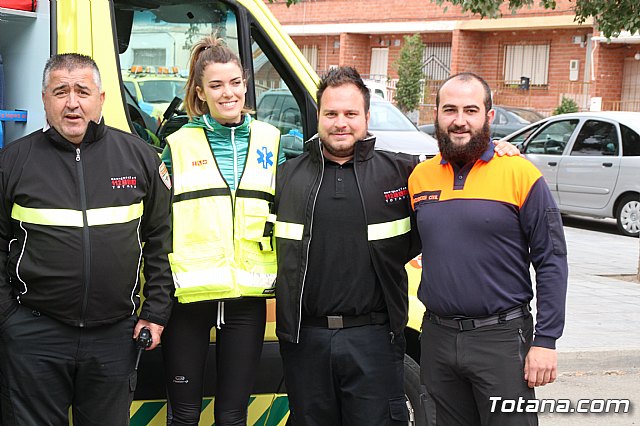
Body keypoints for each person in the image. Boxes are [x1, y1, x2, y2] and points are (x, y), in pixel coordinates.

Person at [273, 66, 520, 425]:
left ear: (367, 117)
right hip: (304, 342)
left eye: (350, 114)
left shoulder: (403, 174)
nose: (341, 122)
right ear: (318, 117)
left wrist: (494, 150)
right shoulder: (285, 178)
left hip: (374, 340)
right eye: (331, 114)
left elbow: (458, 163)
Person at [0, 53, 173, 425]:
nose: (72, 102)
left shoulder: (139, 158)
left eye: (82, 90)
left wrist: (155, 312)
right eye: (60, 91)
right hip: (34, 333)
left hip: (113, 335)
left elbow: (161, 240)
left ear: (102, 98)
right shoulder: (12, 162)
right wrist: (7, 317)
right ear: (44, 99)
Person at [408, 72, 569, 425]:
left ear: (489, 116)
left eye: (471, 110)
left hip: (501, 340)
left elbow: (552, 259)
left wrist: (546, 340)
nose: (460, 120)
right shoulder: (419, 177)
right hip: (436, 338)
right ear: (436, 115)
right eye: (450, 110)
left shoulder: (520, 174)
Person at [160, 35, 283, 426]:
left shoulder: (273, 142)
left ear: (246, 85)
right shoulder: (176, 145)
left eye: (234, 82)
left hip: (247, 298)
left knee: (232, 417)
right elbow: (159, 223)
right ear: (200, 92)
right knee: (183, 416)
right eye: (216, 85)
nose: (227, 92)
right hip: (189, 298)